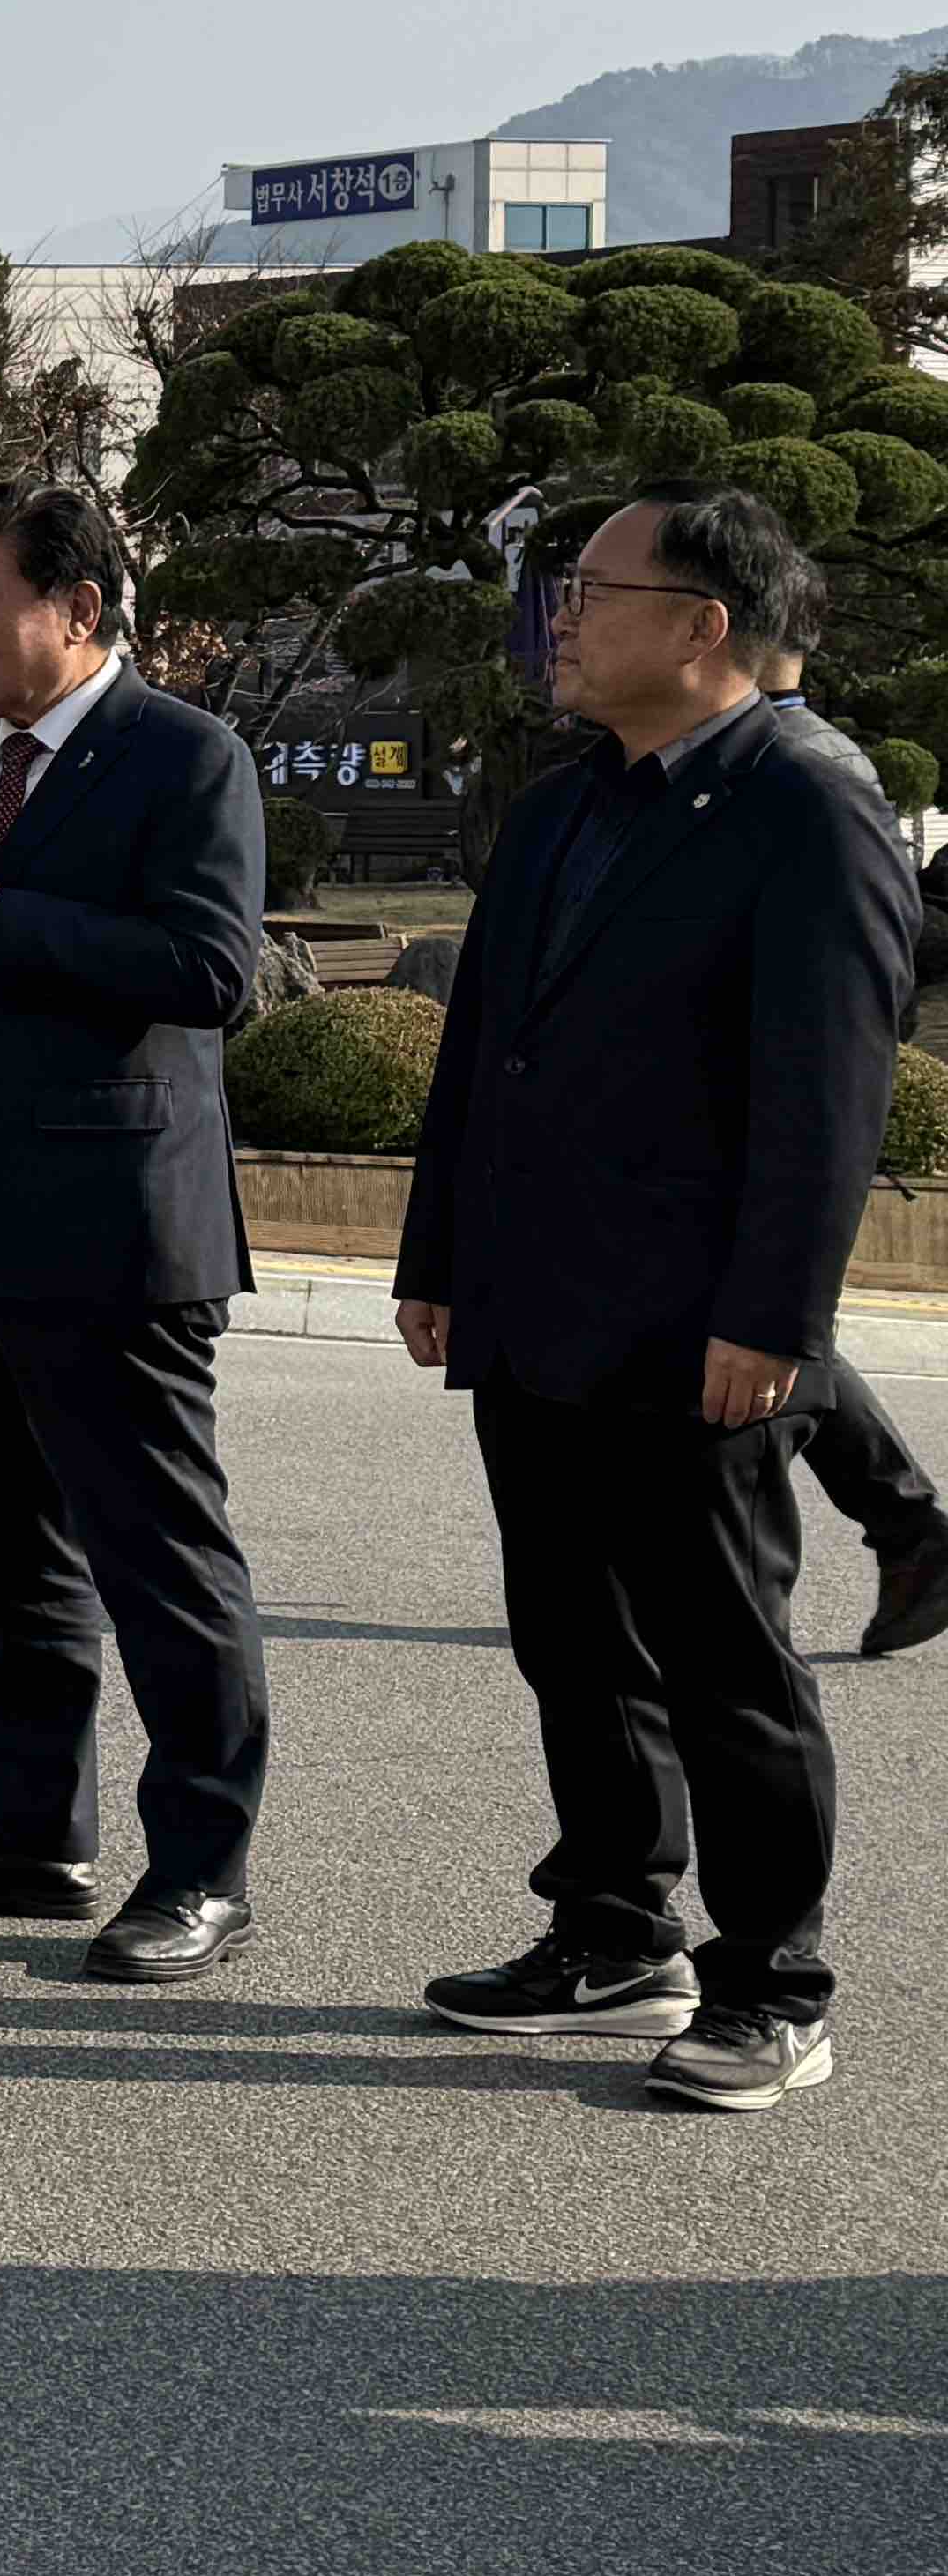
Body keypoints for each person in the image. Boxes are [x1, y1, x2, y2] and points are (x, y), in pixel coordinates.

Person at [396, 486, 914, 2113]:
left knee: (725, 1659)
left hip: (694, 1320)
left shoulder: (807, 801)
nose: (561, 615)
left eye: (593, 589)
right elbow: (482, 1048)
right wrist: (434, 1255)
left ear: (703, 626)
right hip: (534, 1300)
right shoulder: (566, 803)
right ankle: (616, 1928)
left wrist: (775, 1319)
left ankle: (774, 1982)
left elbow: (826, 1095)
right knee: (572, 1638)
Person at [0, 480, 271, 1982]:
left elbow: (211, 969)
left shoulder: (185, 754)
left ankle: (201, 1868)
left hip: (114, 1227)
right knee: (4, 1552)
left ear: (78, 608)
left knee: (159, 1561)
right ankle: (27, 1831)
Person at [743, 631, 948, 1659]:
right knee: (776, 1327)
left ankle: (900, 1528)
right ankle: (907, 1529)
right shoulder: (791, 752)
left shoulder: (803, 764)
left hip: (781, 1090)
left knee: (769, 1327)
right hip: (757, 1085)